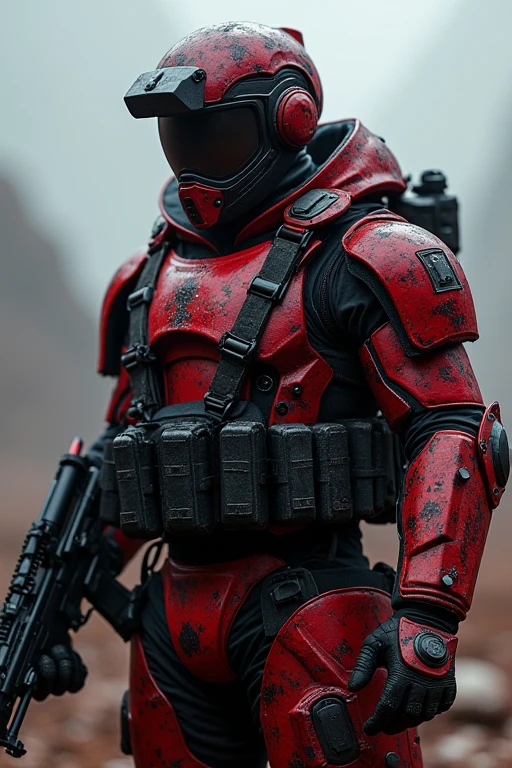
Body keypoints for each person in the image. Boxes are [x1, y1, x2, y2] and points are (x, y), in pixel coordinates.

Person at [35, 21, 508, 768]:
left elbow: (451, 429)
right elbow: (128, 457)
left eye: (214, 136)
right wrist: (53, 616)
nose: (194, 160)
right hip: (172, 618)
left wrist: (427, 612)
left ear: (288, 120)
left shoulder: (372, 254)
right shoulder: (145, 282)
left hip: (313, 606)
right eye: (178, 135)